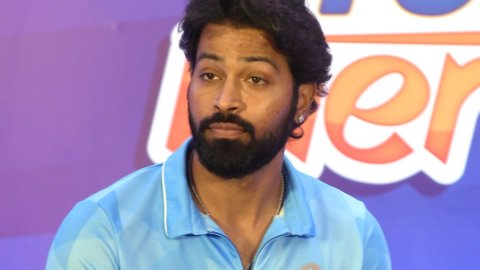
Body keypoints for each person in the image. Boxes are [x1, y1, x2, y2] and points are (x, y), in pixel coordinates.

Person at [46, 0, 391, 269]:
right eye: (210, 75)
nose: (225, 101)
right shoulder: (105, 227)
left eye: (255, 79)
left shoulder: (353, 231)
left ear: (302, 98)